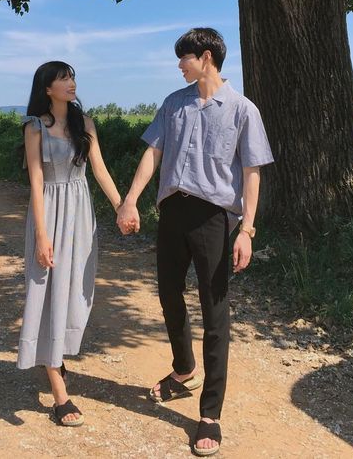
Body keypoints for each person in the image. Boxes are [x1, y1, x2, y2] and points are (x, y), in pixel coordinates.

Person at [117, 28, 274, 456]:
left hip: (214, 218)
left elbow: (252, 173)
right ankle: (184, 368)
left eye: (184, 58)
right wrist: (130, 200)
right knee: (168, 294)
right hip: (173, 211)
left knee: (214, 311)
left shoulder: (242, 109)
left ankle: (210, 415)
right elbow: (153, 153)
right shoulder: (174, 104)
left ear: (205, 57)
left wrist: (247, 230)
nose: (179, 65)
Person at [17, 61, 122, 427]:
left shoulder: (85, 123)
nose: (71, 83)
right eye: (63, 78)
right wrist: (41, 235)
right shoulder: (34, 127)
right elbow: (36, 181)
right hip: (48, 212)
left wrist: (122, 206)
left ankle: (57, 353)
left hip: (80, 213)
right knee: (46, 291)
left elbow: (100, 170)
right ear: (47, 88)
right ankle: (59, 393)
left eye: (72, 76)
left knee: (76, 289)